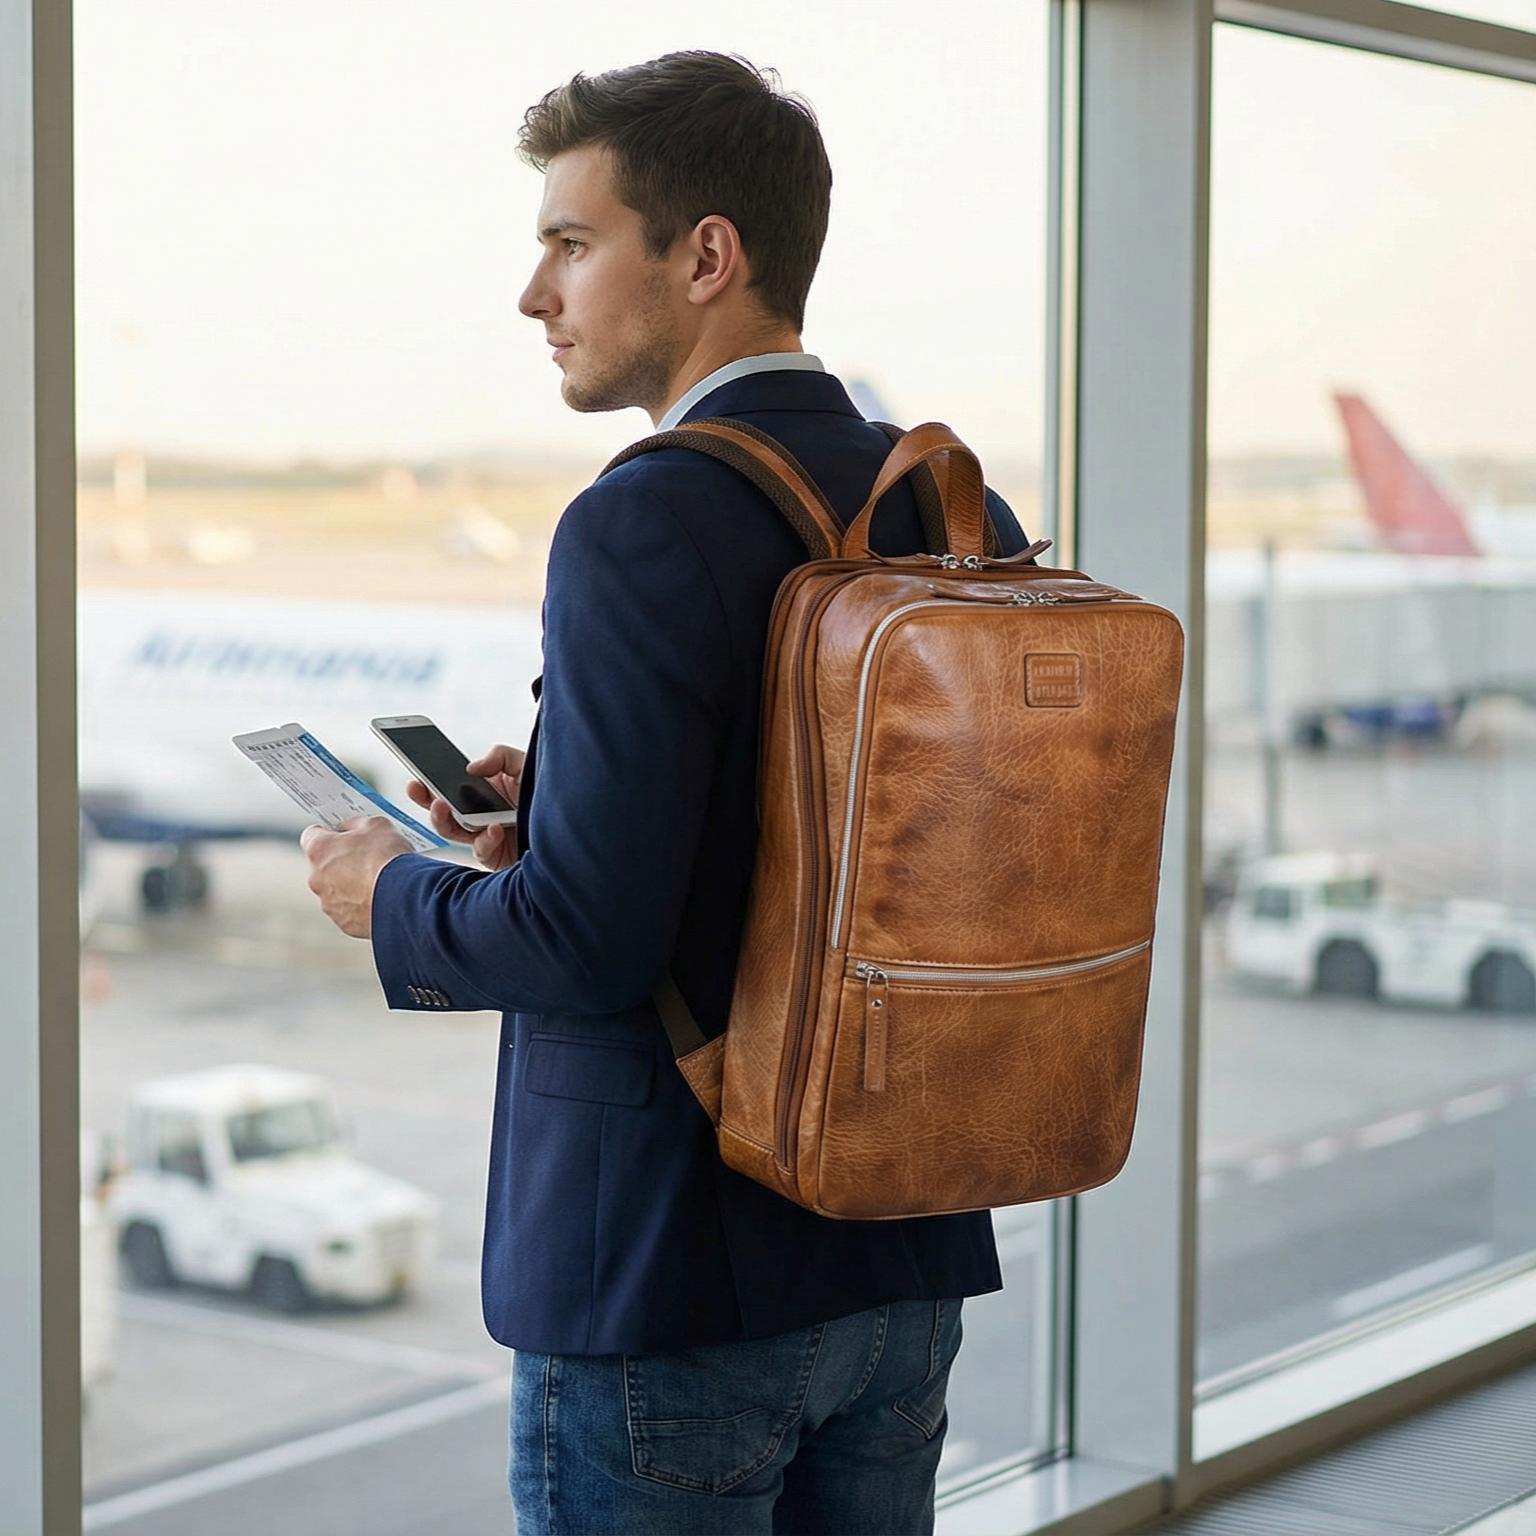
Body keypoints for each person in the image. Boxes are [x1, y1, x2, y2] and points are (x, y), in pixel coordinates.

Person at [300, 48, 1037, 1536]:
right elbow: (862, 846)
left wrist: (393, 896)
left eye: (570, 244)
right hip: (899, 1256)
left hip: (671, 1284)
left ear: (707, 256)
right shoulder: (954, 507)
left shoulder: (643, 520)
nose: (534, 294)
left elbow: (591, 946)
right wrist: (560, 799)